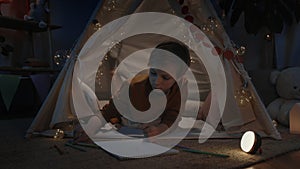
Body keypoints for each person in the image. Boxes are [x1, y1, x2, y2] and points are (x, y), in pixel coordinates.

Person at [74, 41, 191, 142]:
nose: (156, 81)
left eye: (165, 77)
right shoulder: (133, 86)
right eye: (153, 73)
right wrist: (90, 128)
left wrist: (161, 129)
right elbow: (108, 111)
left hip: (154, 123)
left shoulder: (180, 86)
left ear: (179, 77)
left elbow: (173, 114)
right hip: (131, 121)